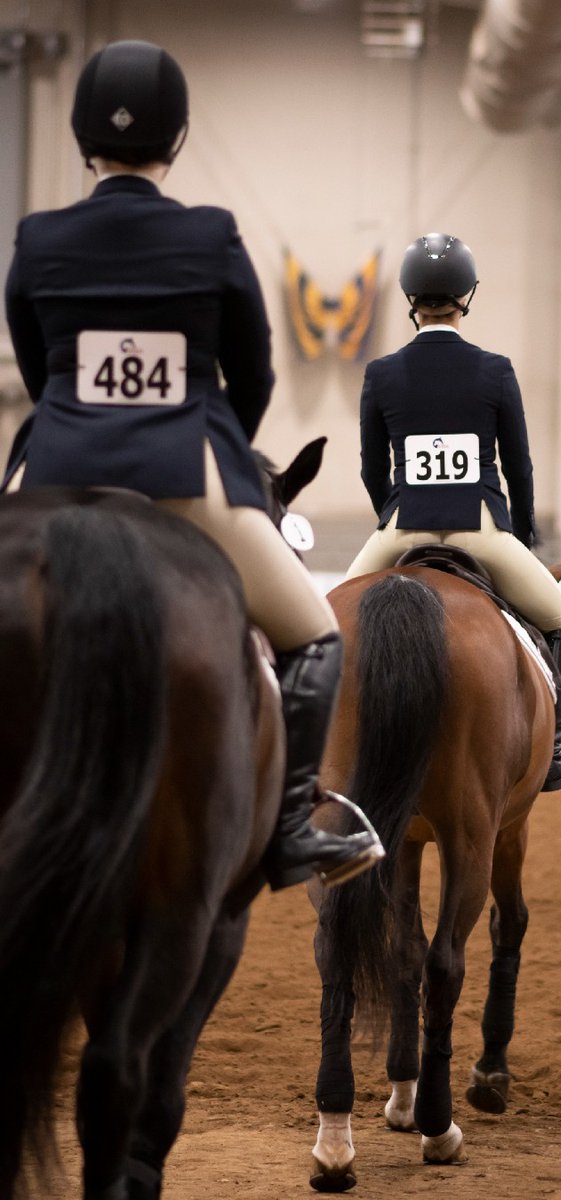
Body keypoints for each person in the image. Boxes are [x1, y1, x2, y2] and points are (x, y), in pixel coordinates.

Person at [2, 40, 381, 890]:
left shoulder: (40, 236)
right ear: (175, 139)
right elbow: (254, 372)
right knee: (317, 638)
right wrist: (219, 441)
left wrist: (77, 416)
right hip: (184, 474)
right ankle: (289, 829)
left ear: (78, 135)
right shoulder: (210, 234)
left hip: (56, 471)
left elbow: (34, 367)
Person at [343, 232, 561, 792]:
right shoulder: (494, 370)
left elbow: (369, 467)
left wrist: (395, 512)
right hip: (480, 530)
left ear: (410, 296)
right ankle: (551, 747)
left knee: (326, 629)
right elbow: (519, 466)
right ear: (467, 295)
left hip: (400, 525)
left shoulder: (381, 373)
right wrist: (522, 536)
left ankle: (319, 745)